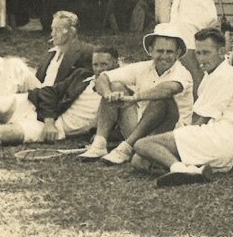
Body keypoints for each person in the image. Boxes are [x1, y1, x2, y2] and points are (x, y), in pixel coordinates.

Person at [133, 28, 233, 186]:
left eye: (206, 53)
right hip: (223, 144)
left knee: (142, 144)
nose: (201, 59)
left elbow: (202, 121)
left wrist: (178, 136)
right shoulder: (215, 72)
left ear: (221, 52)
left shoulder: (223, 76)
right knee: (139, 160)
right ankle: (192, 169)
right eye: (198, 53)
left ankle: (181, 170)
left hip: (217, 139)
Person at [79, 23, 194, 165]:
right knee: (115, 86)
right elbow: (103, 77)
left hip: (170, 134)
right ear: (151, 51)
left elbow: (169, 89)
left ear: (177, 53)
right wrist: (109, 94)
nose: (164, 56)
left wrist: (134, 98)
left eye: (169, 52)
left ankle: (125, 148)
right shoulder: (142, 67)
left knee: (162, 100)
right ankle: (99, 144)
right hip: (141, 128)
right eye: (160, 51)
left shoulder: (182, 73)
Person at [0, 11, 94, 106]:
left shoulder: (84, 51)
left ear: (71, 32)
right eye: (52, 29)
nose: (53, 33)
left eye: (58, 29)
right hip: (40, 92)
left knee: (15, 64)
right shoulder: (52, 52)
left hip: (53, 98)